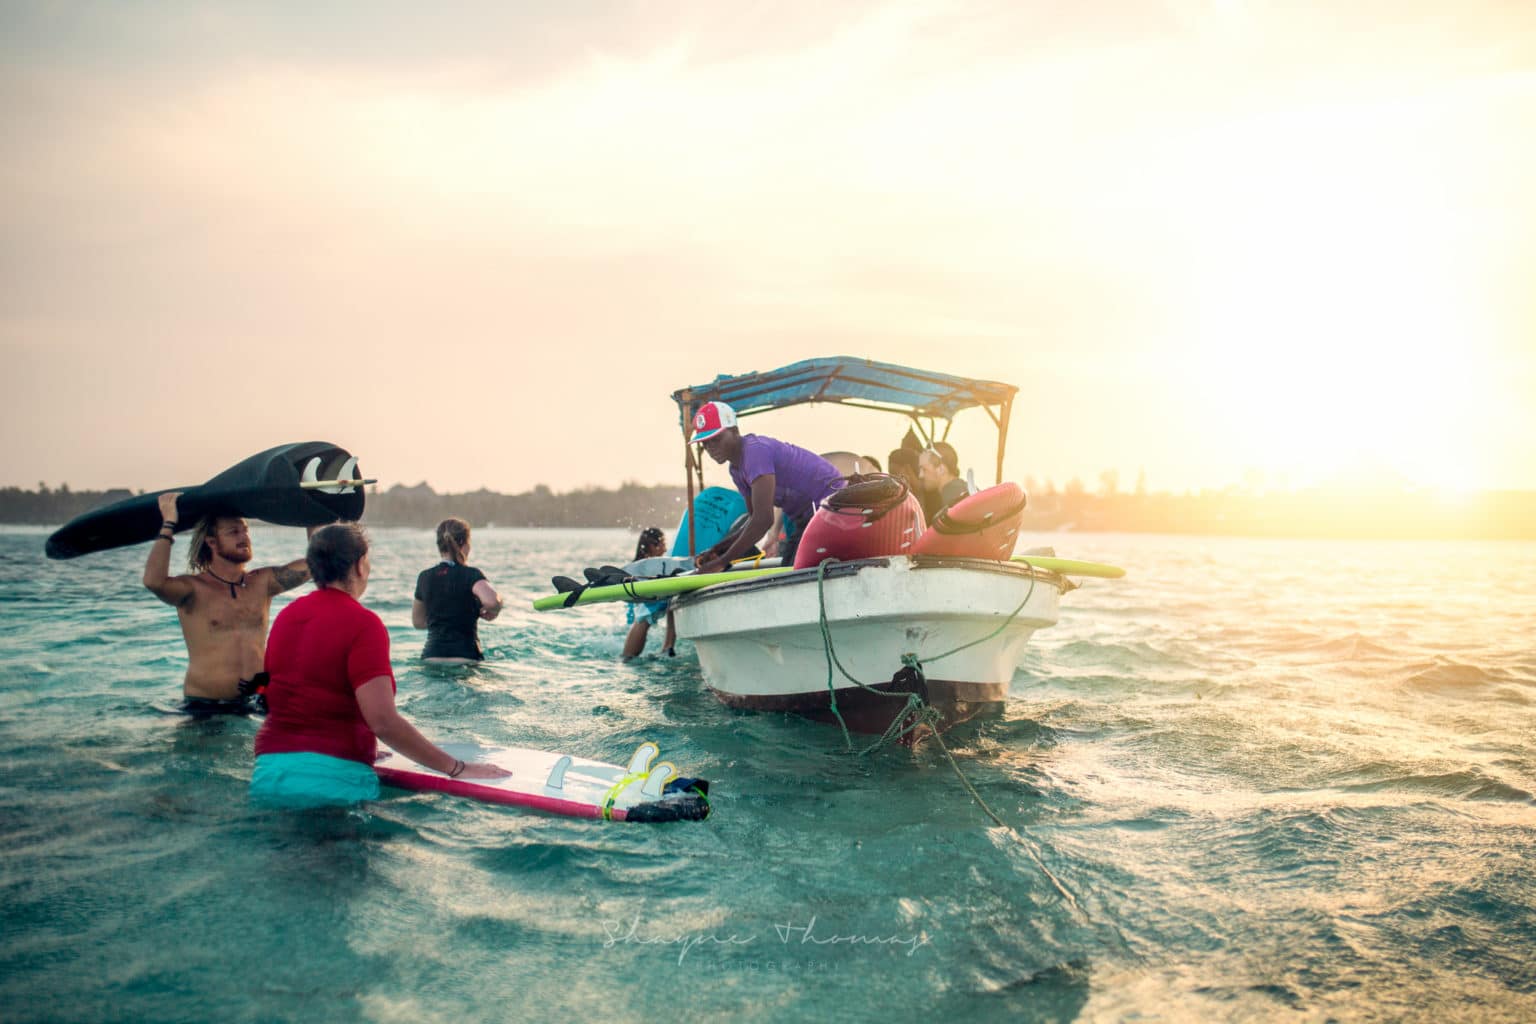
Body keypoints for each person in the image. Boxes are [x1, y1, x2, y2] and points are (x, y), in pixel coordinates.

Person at [251, 523, 508, 808]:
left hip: (269, 772)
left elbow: (281, 697)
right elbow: (383, 721)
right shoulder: (362, 623)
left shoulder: (287, 616)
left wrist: (365, 744)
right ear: (360, 565)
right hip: (331, 783)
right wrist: (456, 767)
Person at [142, 491, 317, 716]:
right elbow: (153, 581)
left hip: (256, 703)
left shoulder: (262, 583)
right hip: (204, 709)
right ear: (212, 542)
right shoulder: (193, 589)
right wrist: (168, 524)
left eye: (245, 529)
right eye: (234, 532)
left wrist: (313, 512)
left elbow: (315, 564)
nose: (244, 536)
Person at [691, 401, 843, 572]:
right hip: (805, 518)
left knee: (796, 573)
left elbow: (764, 520)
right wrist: (718, 549)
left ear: (734, 431)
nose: (711, 448)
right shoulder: (735, 469)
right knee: (788, 570)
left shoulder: (755, 452)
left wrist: (722, 561)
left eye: (716, 439)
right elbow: (753, 518)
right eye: (705, 443)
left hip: (832, 506)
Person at [412, 518, 502, 663]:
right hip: (466, 657)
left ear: (439, 546)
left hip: (431, 656)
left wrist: (443, 619)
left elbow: (418, 622)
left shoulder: (424, 577)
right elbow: (491, 601)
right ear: (465, 545)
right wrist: (497, 608)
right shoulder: (471, 575)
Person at [621, 527, 677, 660]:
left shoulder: (638, 566)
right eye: (663, 544)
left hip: (632, 619)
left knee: (672, 601)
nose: (665, 549)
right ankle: (627, 657)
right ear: (652, 546)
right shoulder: (646, 568)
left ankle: (667, 647)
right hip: (637, 618)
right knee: (645, 617)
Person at [919, 442, 971, 517]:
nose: (920, 475)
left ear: (941, 469)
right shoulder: (961, 489)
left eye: (924, 469)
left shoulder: (952, 494)